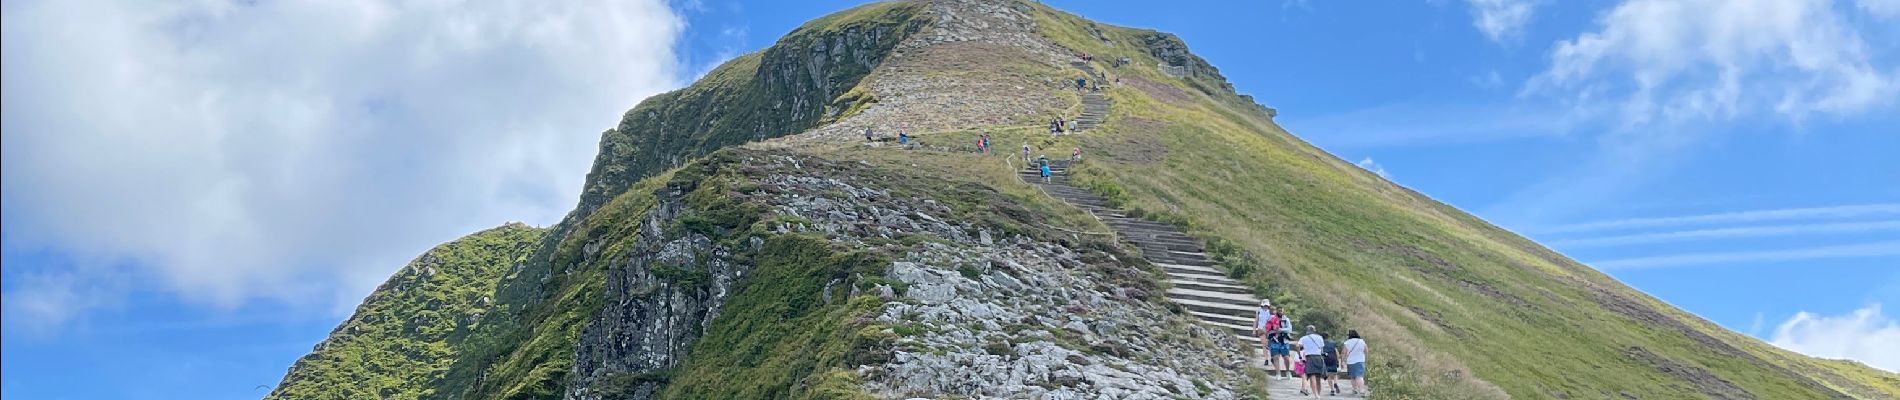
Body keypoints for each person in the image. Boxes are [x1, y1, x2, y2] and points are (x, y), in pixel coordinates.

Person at [1299, 325, 1327, 396]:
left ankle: (1316, 395)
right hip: (1319, 357)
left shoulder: (1304, 338)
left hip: (1310, 357)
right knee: (1318, 377)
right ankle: (1319, 394)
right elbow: (1322, 349)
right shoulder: (1319, 337)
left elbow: (1297, 346)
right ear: (1314, 330)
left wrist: (1299, 354)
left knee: (1312, 376)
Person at [1267, 312, 1293, 380]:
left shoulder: (1286, 320)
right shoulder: (1271, 319)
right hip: (1274, 340)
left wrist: (1280, 330)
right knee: (1275, 357)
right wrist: (1273, 330)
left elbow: (1289, 329)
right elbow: (1268, 328)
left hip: (1284, 341)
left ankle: (1287, 371)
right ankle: (1278, 373)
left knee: (1286, 357)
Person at [1344, 330, 1369, 396]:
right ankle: (1361, 390)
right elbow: (1366, 351)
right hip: (1360, 361)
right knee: (1359, 376)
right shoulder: (1362, 341)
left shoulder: (1347, 342)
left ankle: (1354, 389)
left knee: (1353, 377)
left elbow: (1344, 352)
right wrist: (1366, 360)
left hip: (1350, 361)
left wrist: (1343, 361)